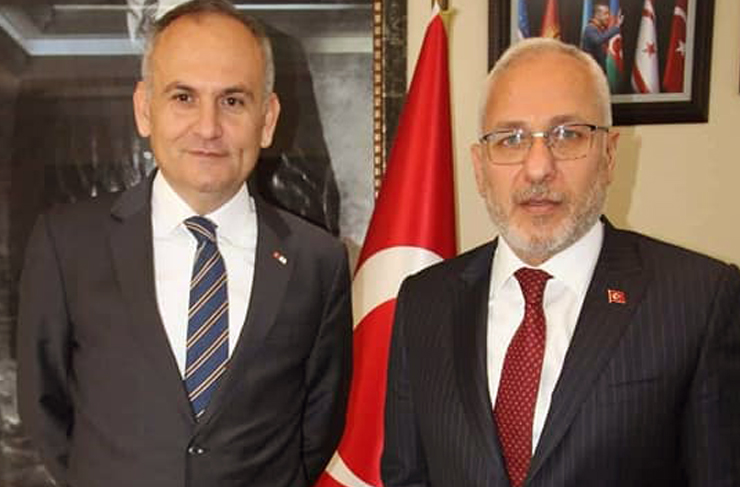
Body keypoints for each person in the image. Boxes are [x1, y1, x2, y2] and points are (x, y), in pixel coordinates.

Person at [16, 1, 352, 486]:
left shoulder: (317, 262)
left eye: (233, 101)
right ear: (144, 109)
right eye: (183, 97)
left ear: (267, 119)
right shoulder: (67, 245)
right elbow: (45, 410)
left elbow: (316, 429)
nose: (208, 127)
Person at [381, 38, 740, 487]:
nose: (538, 168)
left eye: (568, 135)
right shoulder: (423, 301)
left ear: (609, 155)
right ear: (479, 167)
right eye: (510, 139)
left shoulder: (699, 300)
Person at [581, 4, 622, 71]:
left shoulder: (599, 29)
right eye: (605, 14)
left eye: (609, 14)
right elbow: (598, 40)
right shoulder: (590, 29)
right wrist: (616, 28)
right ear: (597, 15)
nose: (608, 17)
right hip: (590, 71)